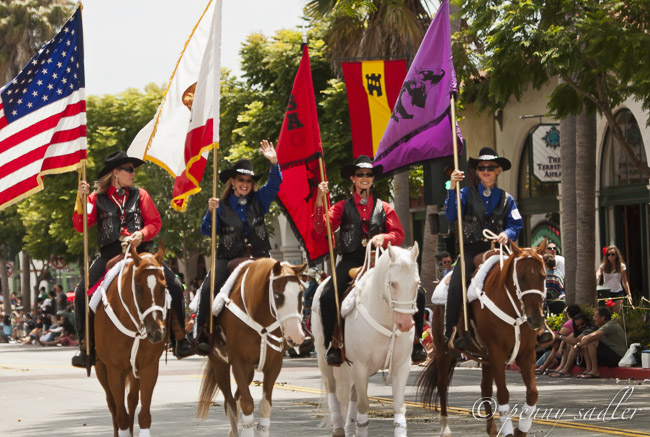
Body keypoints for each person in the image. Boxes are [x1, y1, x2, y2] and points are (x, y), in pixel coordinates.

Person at [70, 150, 193, 368]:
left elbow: (155, 222)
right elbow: (80, 226)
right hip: (110, 254)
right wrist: (80, 200)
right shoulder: (94, 199)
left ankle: (180, 339)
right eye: (129, 170)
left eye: (133, 170)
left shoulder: (141, 194)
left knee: (174, 284)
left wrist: (142, 234)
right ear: (115, 173)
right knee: (81, 293)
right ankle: (86, 346)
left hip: (141, 253)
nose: (133, 173)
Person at [313, 155, 427, 365]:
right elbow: (322, 228)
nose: (365, 178)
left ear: (373, 179)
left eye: (368, 174)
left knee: (418, 293)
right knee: (328, 296)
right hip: (350, 261)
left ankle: (417, 342)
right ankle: (332, 343)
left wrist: (383, 238)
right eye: (360, 174)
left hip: (380, 261)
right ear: (353, 178)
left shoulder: (385, 207)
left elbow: (398, 234)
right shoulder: (340, 207)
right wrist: (320, 198)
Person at [444, 147, 547, 350]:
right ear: (477, 171)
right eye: (482, 167)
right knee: (457, 284)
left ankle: (542, 327)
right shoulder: (464, 193)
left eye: (490, 167)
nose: (486, 171)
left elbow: (516, 225)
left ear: (498, 170)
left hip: (501, 251)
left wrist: (506, 234)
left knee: (532, 276)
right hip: (472, 251)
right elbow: (451, 216)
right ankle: (453, 331)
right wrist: (452, 187)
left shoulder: (507, 199)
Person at [194, 140, 281, 355]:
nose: (245, 184)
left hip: (260, 257)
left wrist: (274, 162)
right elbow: (206, 231)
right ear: (232, 181)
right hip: (229, 256)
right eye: (241, 180)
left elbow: (275, 183)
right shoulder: (220, 206)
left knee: (285, 281)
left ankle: (292, 330)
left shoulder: (260, 200)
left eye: (249, 181)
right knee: (207, 290)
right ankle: (203, 333)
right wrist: (210, 211)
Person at [596, 245, 632, 315]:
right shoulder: (603, 266)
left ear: (616, 255)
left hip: (618, 292)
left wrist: (629, 295)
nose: (610, 256)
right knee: (607, 314)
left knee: (616, 315)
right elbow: (599, 273)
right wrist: (596, 276)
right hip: (607, 293)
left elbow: (624, 281)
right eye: (608, 254)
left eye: (612, 254)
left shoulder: (622, 266)